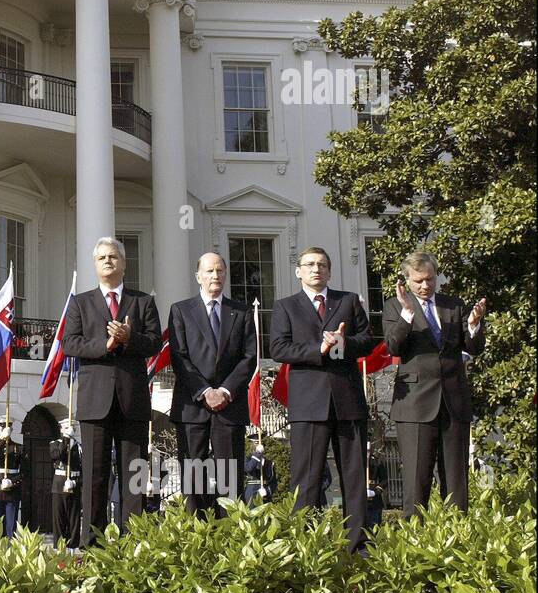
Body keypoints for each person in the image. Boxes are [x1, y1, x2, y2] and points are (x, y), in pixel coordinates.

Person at [269, 246, 377, 553]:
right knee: (306, 479)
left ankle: (355, 545)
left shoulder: (348, 301)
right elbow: (279, 349)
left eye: (321, 265)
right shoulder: (285, 306)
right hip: (308, 404)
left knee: (354, 478)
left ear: (329, 271)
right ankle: (304, 545)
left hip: (348, 400)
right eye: (309, 264)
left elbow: (368, 340)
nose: (316, 269)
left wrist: (342, 342)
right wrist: (319, 348)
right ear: (298, 271)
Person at [62, 236, 162, 542]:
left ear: (123, 262)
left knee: (133, 474)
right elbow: (70, 343)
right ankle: (91, 542)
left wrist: (130, 337)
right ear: (95, 264)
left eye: (114, 256)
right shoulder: (80, 302)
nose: (108, 261)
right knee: (95, 474)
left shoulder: (142, 302)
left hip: (132, 399)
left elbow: (156, 342)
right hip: (95, 401)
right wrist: (106, 344)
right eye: (102, 257)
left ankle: (133, 541)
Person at [382, 250, 486, 516]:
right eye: (418, 281)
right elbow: (394, 346)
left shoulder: (454, 305)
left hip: (454, 400)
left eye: (429, 279)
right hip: (415, 403)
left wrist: (473, 325)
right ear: (407, 281)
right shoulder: (395, 306)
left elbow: (474, 348)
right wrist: (407, 314)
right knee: (417, 479)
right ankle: (415, 540)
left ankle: (457, 537)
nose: (425, 285)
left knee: (456, 479)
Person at [168, 252, 257, 518]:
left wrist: (225, 391)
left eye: (219, 271)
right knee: (193, 476)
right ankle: (197, 536)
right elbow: (179, 356)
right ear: (199, 276)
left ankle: (229, 535)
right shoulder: (181, 310)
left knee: (229, 477)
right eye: (209, 271)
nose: (215, 276)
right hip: (192, 404)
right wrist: (205, 392)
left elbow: (249, 357)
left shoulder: (241, 312)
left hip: (230, 406)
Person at [49, 418, 82, 547]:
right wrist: (66, 438)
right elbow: (57, 455)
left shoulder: (79, 447)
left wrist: (76, 483)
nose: (71, 429)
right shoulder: (55, 444)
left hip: (74, 484)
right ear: (61, 429)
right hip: (59, 485)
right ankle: (59, 548)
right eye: (68, 427)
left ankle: (73, 548)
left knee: (74, 519)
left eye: (73, 427)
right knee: (59, 519)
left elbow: (84, 469)